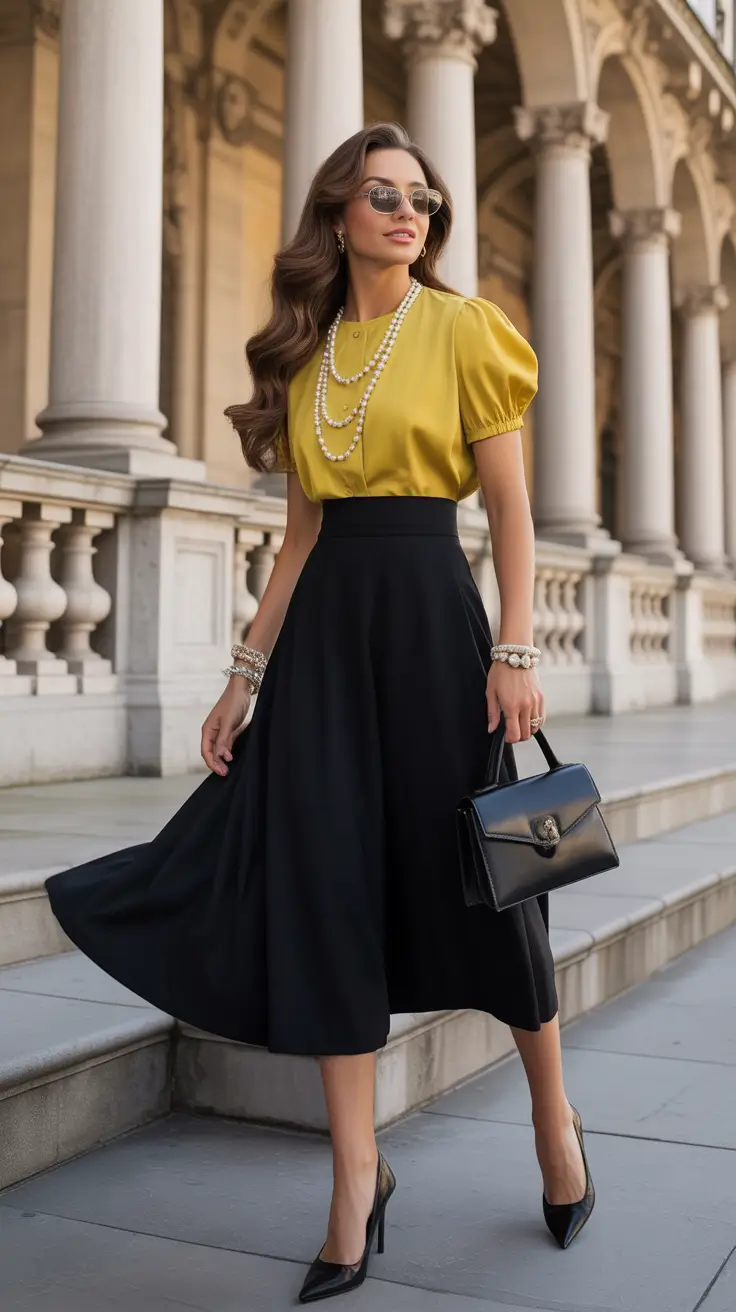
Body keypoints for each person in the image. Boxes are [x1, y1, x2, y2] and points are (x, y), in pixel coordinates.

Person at [45, 121, 594, 1305]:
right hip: (326, 650)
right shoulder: (305, 359)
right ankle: (356, 1178)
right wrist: (245, 672)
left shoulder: (462, 331)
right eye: (386, 196)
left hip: (439, 635)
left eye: (426, 202)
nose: (411, 215)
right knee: (331, 888)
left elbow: (508, 507)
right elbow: (295, 541)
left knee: (496, 889)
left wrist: (515, 646)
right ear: (338, 213)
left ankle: (555, 1123)